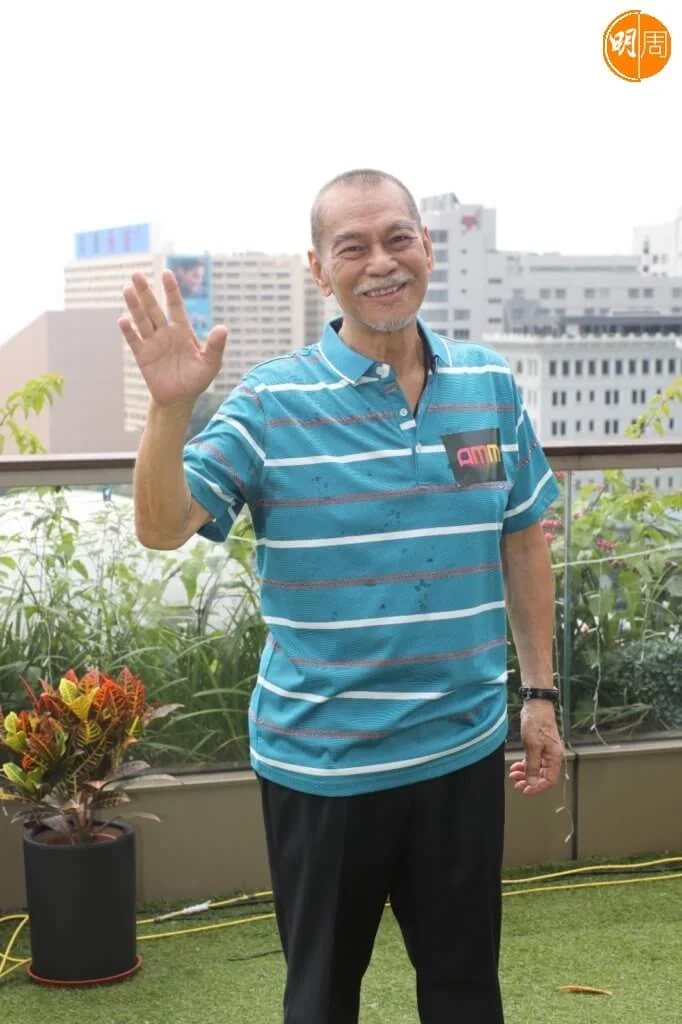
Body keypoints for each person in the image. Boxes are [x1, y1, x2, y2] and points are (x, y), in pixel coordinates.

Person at [120, 168, 564, 1024]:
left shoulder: (488, 383)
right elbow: (163, 526)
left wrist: (539, 696)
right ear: (319, 269)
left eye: (397, 238)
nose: (381, 262)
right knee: (322, 999)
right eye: (352, 247)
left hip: (462, 751)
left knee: (467, 994)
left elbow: (520, 538)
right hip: (324, 768)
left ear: (427, 247)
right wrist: (170, 412)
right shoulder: (270, 402)